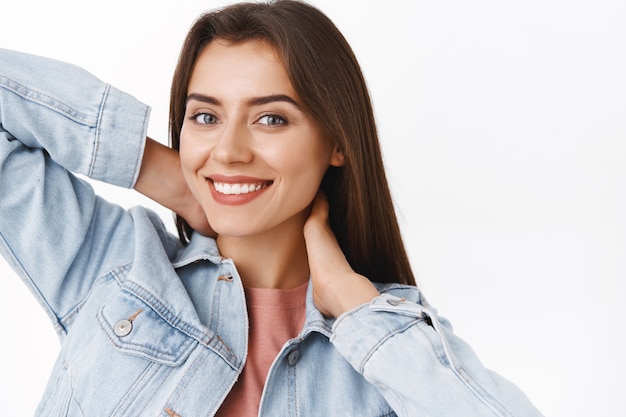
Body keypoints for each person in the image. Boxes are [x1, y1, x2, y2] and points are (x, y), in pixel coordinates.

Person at [0, 0, 544, 415]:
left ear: (337, 143)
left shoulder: (387, 344)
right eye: (206, 118)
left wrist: (358, 309)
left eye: (271, 119)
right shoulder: (115, 269)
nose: (230, 152)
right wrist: (160, 171)